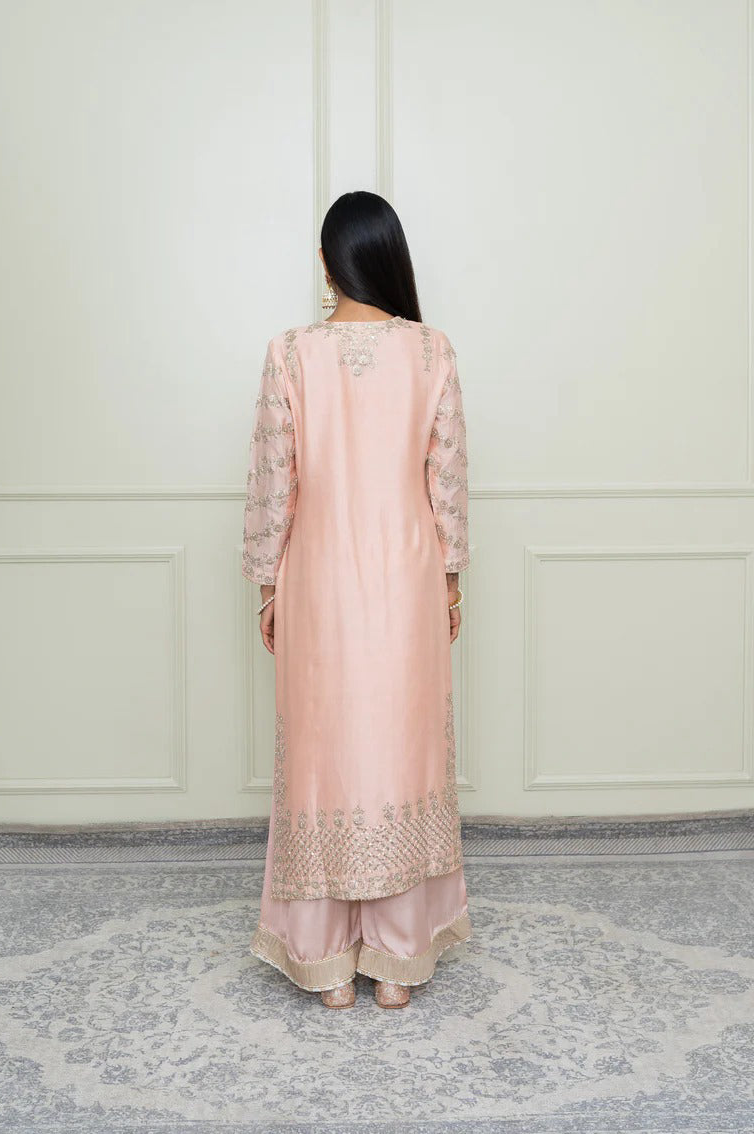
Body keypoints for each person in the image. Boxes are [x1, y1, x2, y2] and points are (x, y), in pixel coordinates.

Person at [241, 190, 472, 1009]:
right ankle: (398, 965)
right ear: (389, 257)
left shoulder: (290, 354)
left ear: (325, 262)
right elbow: (447, 480)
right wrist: (450, 579)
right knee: (401, 753)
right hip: (407, 577)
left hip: (319, 578)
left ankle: (326, 963)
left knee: (323, 755)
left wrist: (268, 583)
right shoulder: (432, 350)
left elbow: (275, 482)